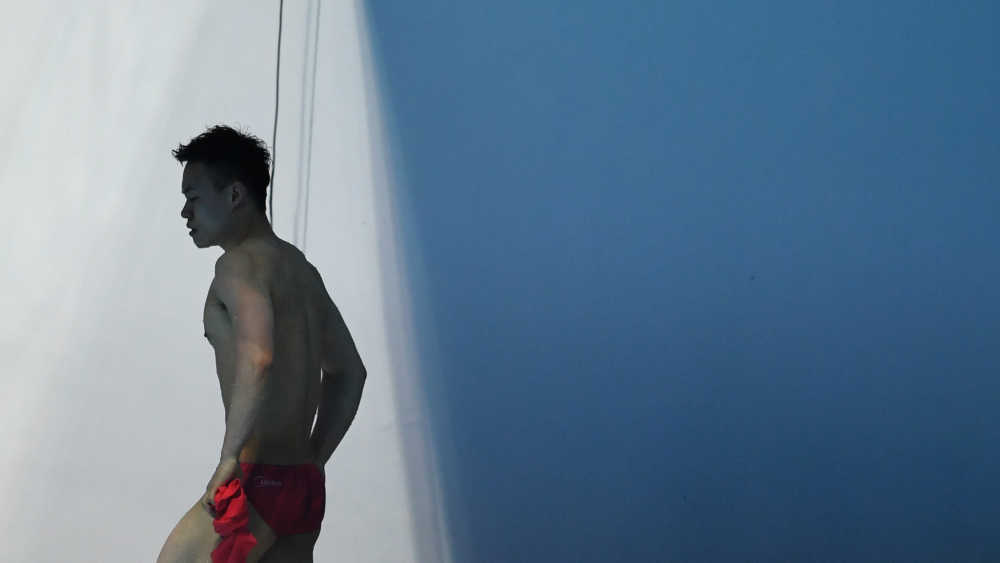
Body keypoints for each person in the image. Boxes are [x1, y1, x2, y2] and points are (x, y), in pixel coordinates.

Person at [156, 125, 367, 563]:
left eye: (193, 197)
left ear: (235, 195)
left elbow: (259, 355)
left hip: (254, 483)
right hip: (301, 487)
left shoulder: (236, 266)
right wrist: (316, 460)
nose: (184, 212)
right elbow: (350, 372)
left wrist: (229, 459)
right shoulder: (303, 272)